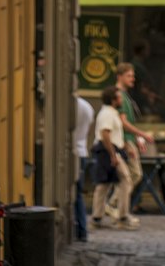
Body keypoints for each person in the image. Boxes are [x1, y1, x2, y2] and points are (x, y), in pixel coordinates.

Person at [90, 86, 139, 231]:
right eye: (119, 97)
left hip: (112, 150)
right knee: (125, 180)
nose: (121, 99)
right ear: (113, 100)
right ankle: (122, 217)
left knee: (104, 184)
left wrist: (126, 148)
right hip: (108, 151)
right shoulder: (107, 114)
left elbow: (115, 134)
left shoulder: (111, 113)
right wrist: (113, 155)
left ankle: (97, 217)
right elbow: (105, 134)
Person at [115, 62, 153, 189]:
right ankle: (114, 203)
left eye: (133, 76)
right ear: (119, 76)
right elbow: (123, 122)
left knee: (129, 175)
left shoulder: (125, 95)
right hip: (125, 140)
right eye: (129, 76)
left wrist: (137, 138)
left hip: (129, 139)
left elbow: (128, 122)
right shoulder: (119, 95)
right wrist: (143, 135)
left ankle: (116, 203)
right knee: (134, 174)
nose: (133, 79)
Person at [72, 93, 94, 241]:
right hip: (82, 151)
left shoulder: (71, 105)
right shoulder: (87, 106)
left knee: (74, 193)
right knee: (78, 193)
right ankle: (82, 229)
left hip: (72, 151)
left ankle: (80, 229)